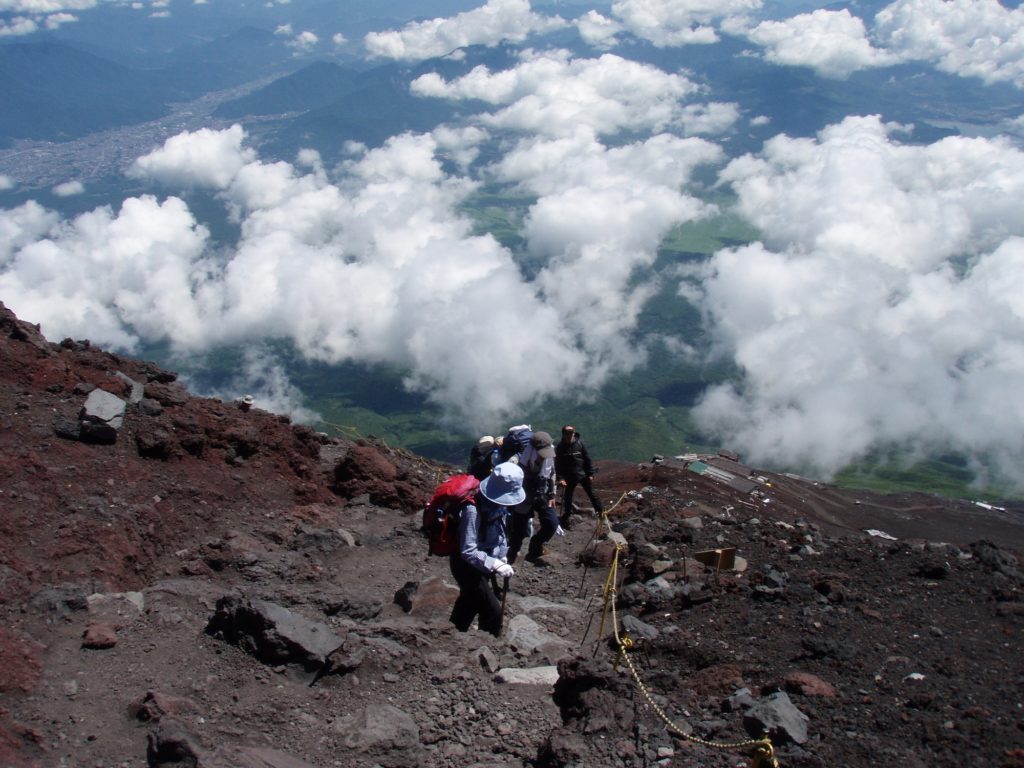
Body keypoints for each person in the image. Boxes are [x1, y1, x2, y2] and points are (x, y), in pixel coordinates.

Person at [449, 462, 524, 636]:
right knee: (493, 612)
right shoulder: (472, 510)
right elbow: (468, 550)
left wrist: (501, 555)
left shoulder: (496, 504)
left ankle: (453, 635)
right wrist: (495, 564)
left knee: (469, 602)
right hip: (466, 566)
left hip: (483, 563)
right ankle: (484, 644)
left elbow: (499, 531)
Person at [507, 430, 560, 564]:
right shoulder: (518, 459)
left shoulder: (549, 455)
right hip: (523, 498)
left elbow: (552, 473)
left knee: (551, 524)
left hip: (543, 494)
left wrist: (552, 494)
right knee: (518, 531)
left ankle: (536, 544)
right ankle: (511, 558)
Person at [555, 425, 603, 529]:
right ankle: (567, 516)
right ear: (563, 434)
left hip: (583, 474)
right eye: (568, 433)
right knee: (568, 497)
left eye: (571, 433)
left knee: (592, 494)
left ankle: (601, 512)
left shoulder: (579, 444)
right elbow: (558, 465)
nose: (570, 435)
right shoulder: (560, 447)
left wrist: (590, 474)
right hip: (569, 476)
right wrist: (561, 479)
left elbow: (587, 459)